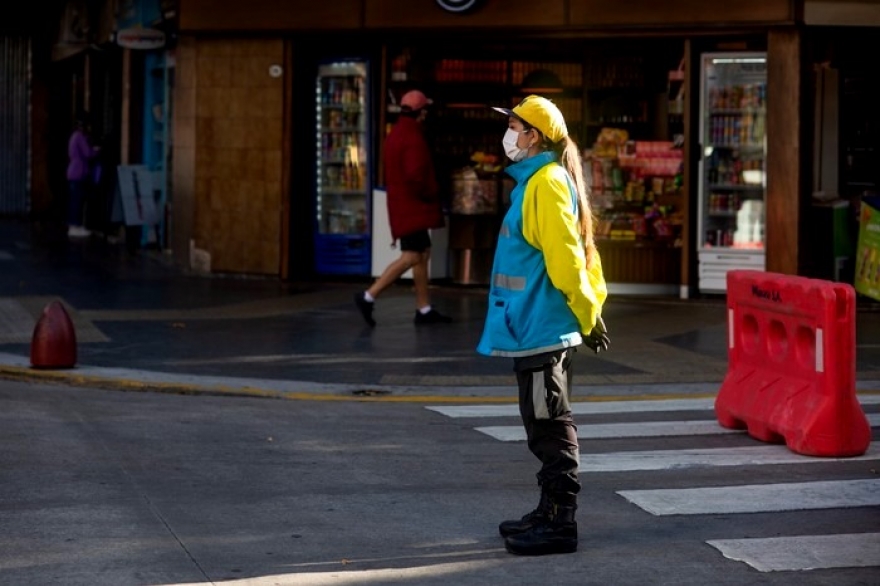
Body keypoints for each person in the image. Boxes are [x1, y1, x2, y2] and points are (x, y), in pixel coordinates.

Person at [478, 95, 610, 556]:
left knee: (550, 422)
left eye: (513, 125)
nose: (508, 133)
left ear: (532, 135)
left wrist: (588, 314)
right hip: (529, 325)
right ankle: (547, 511)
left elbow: (569, 261)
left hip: (542, 326)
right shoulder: (535, 181)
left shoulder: (547, 182)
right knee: (540, 421)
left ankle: (561, 523)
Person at [354, 89, 452, 327]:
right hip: (413, 208)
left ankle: (424, 308)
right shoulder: (413, 138)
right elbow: (416, 176)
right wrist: (433, 193)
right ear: (422, 113)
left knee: (422, 254)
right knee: (411, 256)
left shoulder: (396, 133)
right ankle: (369, 295)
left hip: (403, 206)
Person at [66, 112, 100, 238]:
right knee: (77, 201)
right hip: (78, 172)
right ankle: (75, 226)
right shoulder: (80, 136)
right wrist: (96, 150)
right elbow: (87, 153)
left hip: (74, 171)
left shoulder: (74, 136)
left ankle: (74, 225)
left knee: (75, 200)